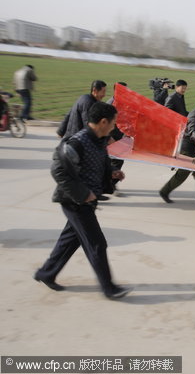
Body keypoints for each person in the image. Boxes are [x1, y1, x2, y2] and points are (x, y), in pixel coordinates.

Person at [34, 102, 131, 299]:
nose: (114, 126)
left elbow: (98, 164)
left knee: (70, 240)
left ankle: (46, 273)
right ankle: (109, 288)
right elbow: (58, 170)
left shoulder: (99, 140)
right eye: (113, 123)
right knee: (97, 243)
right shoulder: (77, 142)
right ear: (103, 122)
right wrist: (82, 194)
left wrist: (112, 173)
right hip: (75, 201)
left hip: (87, 200)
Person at [159, 96, 195, 204]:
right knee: (183, 173)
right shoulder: (194, 116)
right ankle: (164, 192)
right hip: (188, 149)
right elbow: (193, 132)